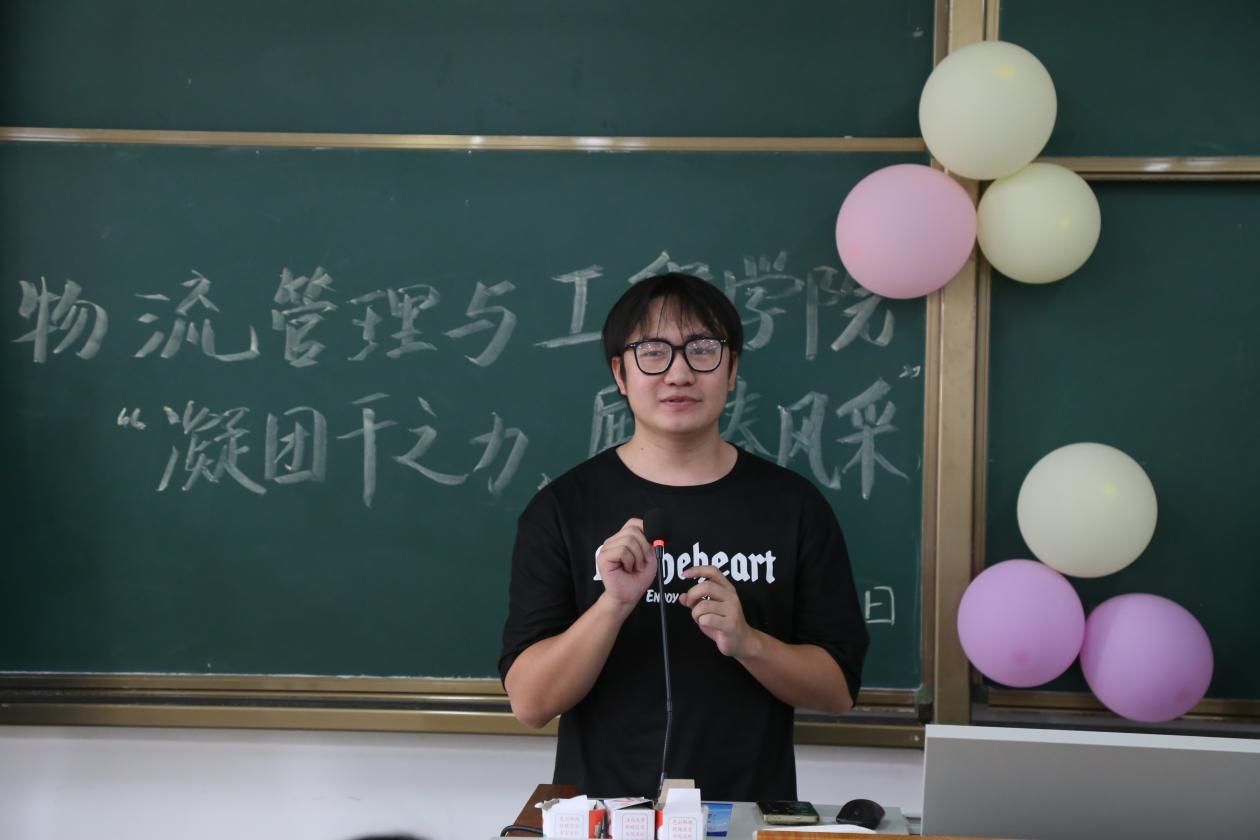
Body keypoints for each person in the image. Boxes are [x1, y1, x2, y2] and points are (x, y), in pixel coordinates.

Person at [498, 272, 868, 802]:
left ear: (732, 369)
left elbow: (837, 691)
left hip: (748, 818)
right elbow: (531, 703)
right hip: (604, 819)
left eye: (702, 350)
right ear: (620, 373)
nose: (679, 373)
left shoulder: (793, 506)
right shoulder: (562, 508)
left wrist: (748, 642)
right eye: (653, 352)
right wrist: (612, 605)